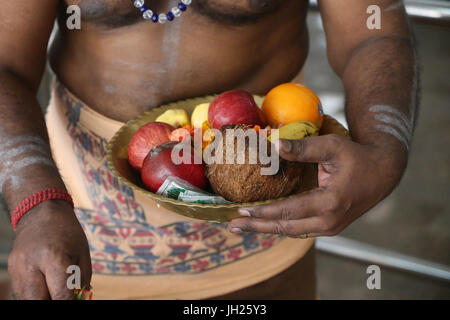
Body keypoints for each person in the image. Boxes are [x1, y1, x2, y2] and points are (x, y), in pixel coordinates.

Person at [1, 0, 418, 299]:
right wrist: (38, 203)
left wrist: (385, 145)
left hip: (263, 230)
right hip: (81, 223)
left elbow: (373, 31)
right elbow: (6, 63)